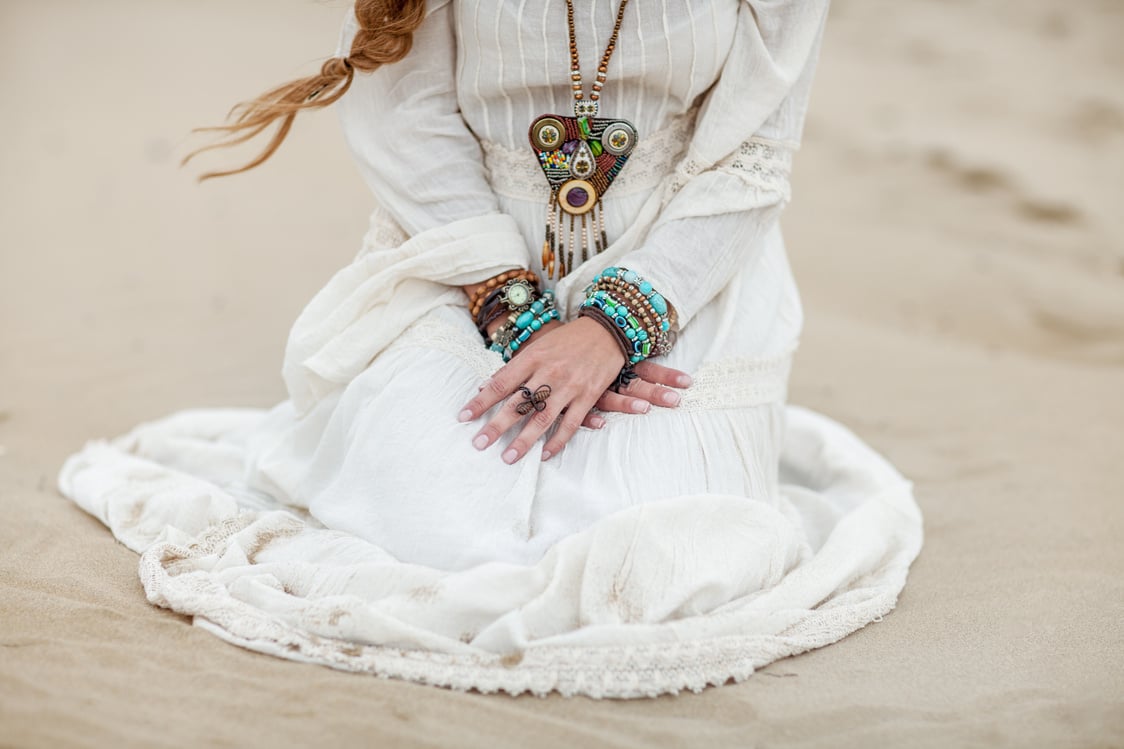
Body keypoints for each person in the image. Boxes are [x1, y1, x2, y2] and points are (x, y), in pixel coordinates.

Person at [59, 0, 924, 698]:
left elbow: (753, 158)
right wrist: (520, 313)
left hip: (689, 274)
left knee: (664, 547)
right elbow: (406, 117)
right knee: (440, 519)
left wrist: (617, 324)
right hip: (465, 259)